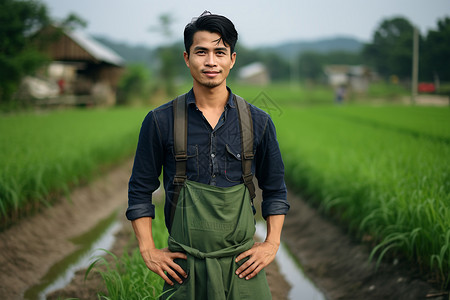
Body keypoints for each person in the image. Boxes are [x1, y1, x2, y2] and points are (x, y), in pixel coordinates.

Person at [126, 11, 289, 300]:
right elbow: (140, 190)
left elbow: (275, 189)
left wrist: (271, 243)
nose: (211, 61)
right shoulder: (160, 121)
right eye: (201, 51)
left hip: (243, 266)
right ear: (187, 57)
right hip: (184, 266)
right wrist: (148, 249)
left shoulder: (258, 121)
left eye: (219, 52)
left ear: (232, 59)